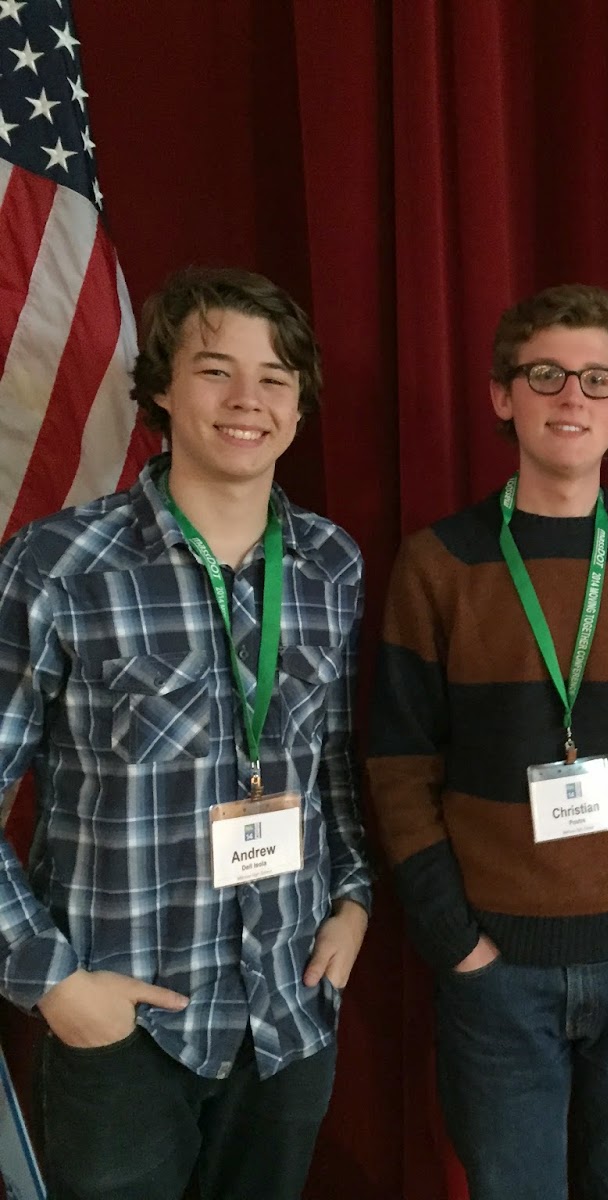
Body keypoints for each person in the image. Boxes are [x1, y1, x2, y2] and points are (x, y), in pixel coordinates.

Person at [0, 266, 371, 1199]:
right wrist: (53, 982)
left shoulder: (330, 565)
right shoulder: (59, 564)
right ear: (162, 388)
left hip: (287, 1011)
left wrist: (355, 901)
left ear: (299, 407)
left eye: (275, 378)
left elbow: (332, 760)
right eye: (216, 370)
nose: (248, 400)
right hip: (125, 1029)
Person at [367, 283, 608, 1198]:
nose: (571, 396)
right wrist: (457, 942)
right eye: (545, 374)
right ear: (501, 395)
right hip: (495, 972)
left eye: (598, 380)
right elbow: (398, 765)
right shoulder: (439, 561)